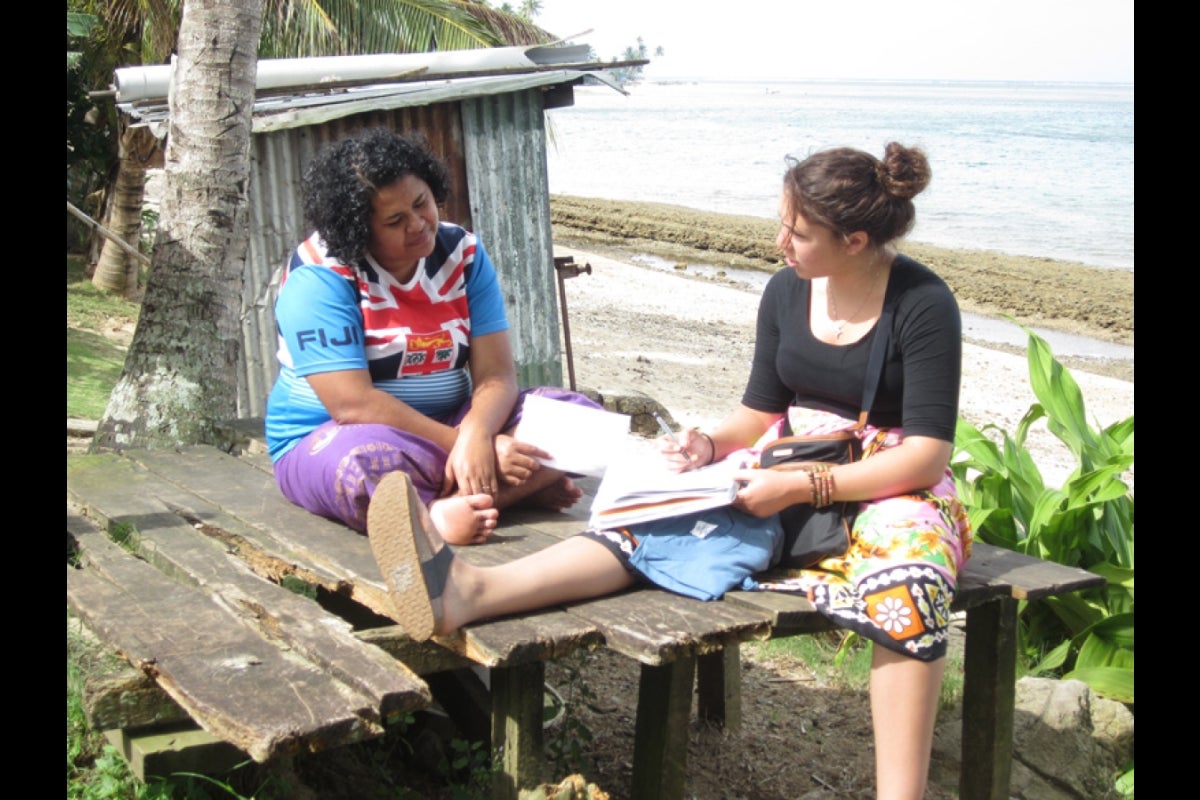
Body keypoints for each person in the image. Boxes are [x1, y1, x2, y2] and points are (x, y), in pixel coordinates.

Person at [366, 142, 972, 800]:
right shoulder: (786, 291)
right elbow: (757, 413)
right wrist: (706, 447)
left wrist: (800, 487)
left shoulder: (922, 303)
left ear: (854, 240)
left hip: (888, 481)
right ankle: (470, 594)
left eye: (797, 233)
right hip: (783, 461)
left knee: (911, 583)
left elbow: (927, 454)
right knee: (649, 514)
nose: (780, 244)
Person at [265, 127, 601, 545]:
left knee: (583, 421)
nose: (419, 224)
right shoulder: (320, 275)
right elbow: (353, 404)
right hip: (337, 435)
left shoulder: (464, 255)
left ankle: (458, 501)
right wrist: (469, 446)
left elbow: (496, 374)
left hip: (453, 426)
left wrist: (478, 434)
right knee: (362, 467)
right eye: (394, 221)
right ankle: (459, 508)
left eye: (421, 203)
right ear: (358, 231)